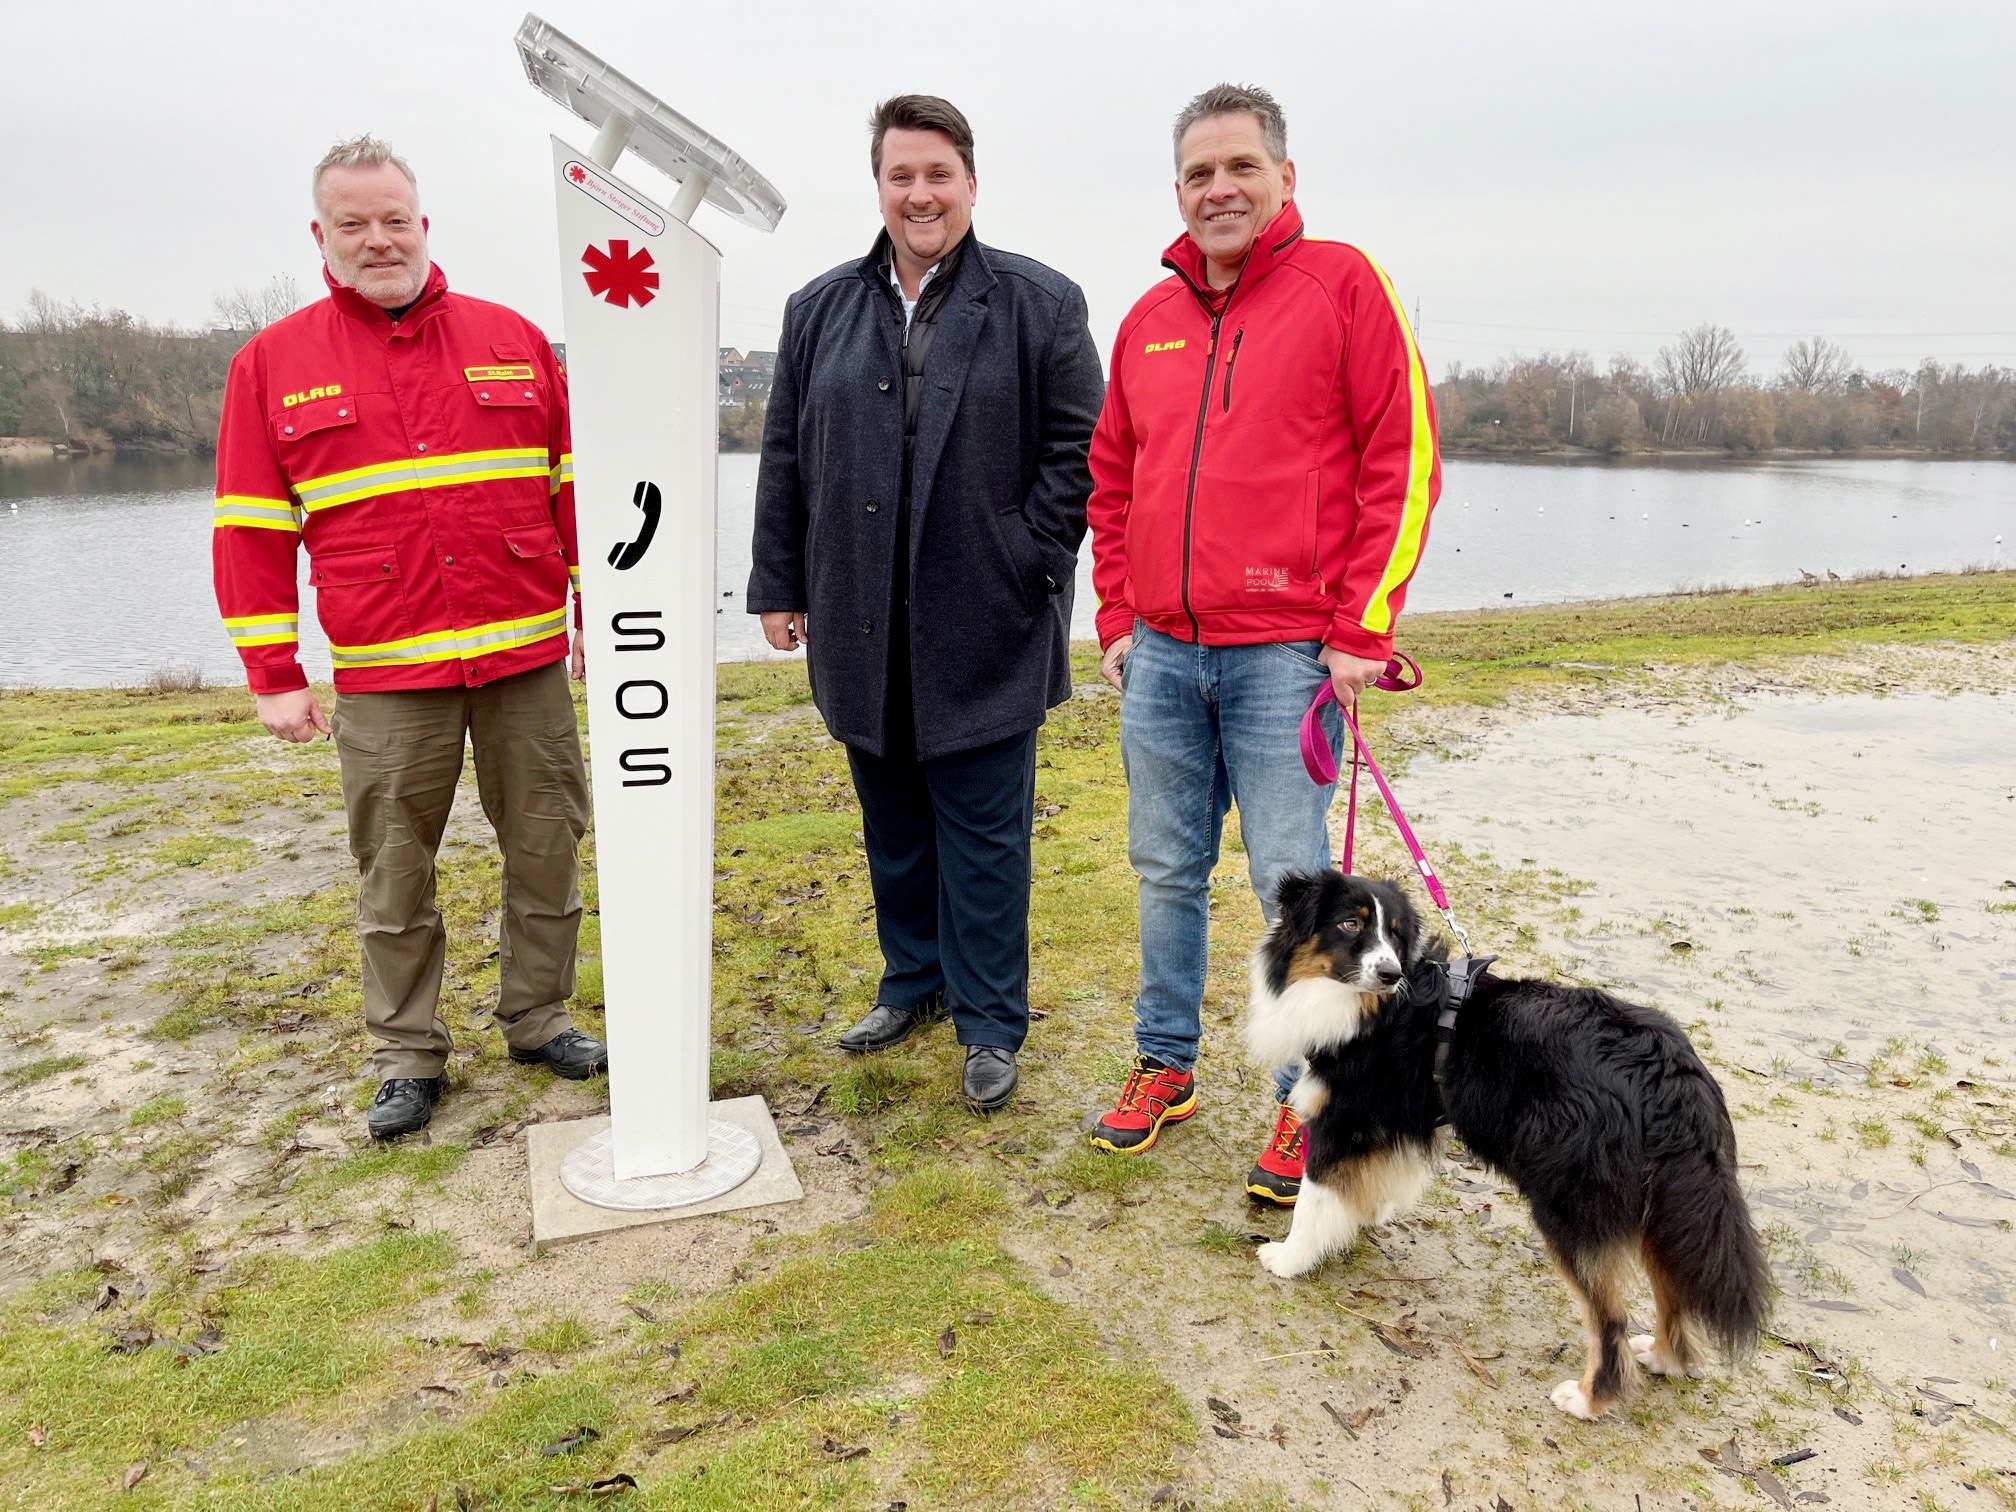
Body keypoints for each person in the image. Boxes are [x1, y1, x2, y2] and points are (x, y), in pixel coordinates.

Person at [1084, 84, 1441, 1203]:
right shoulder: (1148, 319)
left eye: (1241, 166)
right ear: (1178, 191)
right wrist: (1116, 616)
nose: (1220, 188)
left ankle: (1312, 1097)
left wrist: (1363, 626)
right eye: (1199, 172)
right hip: (1163, 654)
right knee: (1164, 869)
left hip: (1287, 656)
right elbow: (1111, 478)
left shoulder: (1343, 284)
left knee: (1293, 889)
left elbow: (1405, 458)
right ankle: (1164, 1064)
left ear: (1285, 176)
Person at [212, 135, 608, 1141]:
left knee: (547, 848)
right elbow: (251, 530)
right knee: (393, 872)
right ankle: (407, 1054)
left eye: (394, 220)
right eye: (354, 224)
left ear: (423, 225)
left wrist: (595, 614)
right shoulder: (270, 365)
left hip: (523, 659)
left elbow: (574, 492)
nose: (377, 240)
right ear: (321, 236)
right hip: (388, 672)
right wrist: (273, 672)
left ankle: (539, 1018)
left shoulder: (513, 338)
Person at [747, 95, 1103, 1112]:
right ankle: (912, 981)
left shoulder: (1040, 303)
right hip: (859, 617)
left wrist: (1029, 559)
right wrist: (779, 582)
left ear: (971, 184)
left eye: (938, 174)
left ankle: (990, 1020)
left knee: (985, 837)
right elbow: (785, 453)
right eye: (901, 175)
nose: (920, 194)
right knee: (894, 823)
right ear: (879, 187)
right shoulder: (818, 308)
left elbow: (1082, 450)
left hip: (987, 616)